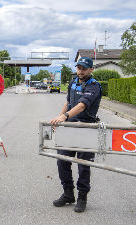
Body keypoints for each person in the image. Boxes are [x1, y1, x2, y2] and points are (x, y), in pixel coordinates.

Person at [50, 57, 102, 213]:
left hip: (86, 129)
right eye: (79, 68)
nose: (80, 71)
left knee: (83, 165)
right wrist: (59, 119)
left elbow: (82, 105)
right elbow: (69, 103)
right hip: (69, 128)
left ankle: (82, 197)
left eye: (84, 68)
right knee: (62, 160)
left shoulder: (94, 86)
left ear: (91, 69)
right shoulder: (73, 82)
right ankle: (68, 194)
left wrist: (65, 116)